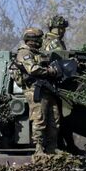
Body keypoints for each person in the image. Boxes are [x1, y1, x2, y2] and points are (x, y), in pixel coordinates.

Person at [13, 27, 61, 155]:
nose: (41, 41)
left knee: (54, 119)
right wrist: (50, 72)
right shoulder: (24, 53)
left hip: (46, 89)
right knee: (39, 118)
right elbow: (32, 69)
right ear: (31, 40)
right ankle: (38, 148)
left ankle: (52, 147)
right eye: (38, 39)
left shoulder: (38, 53)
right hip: (34, 90)